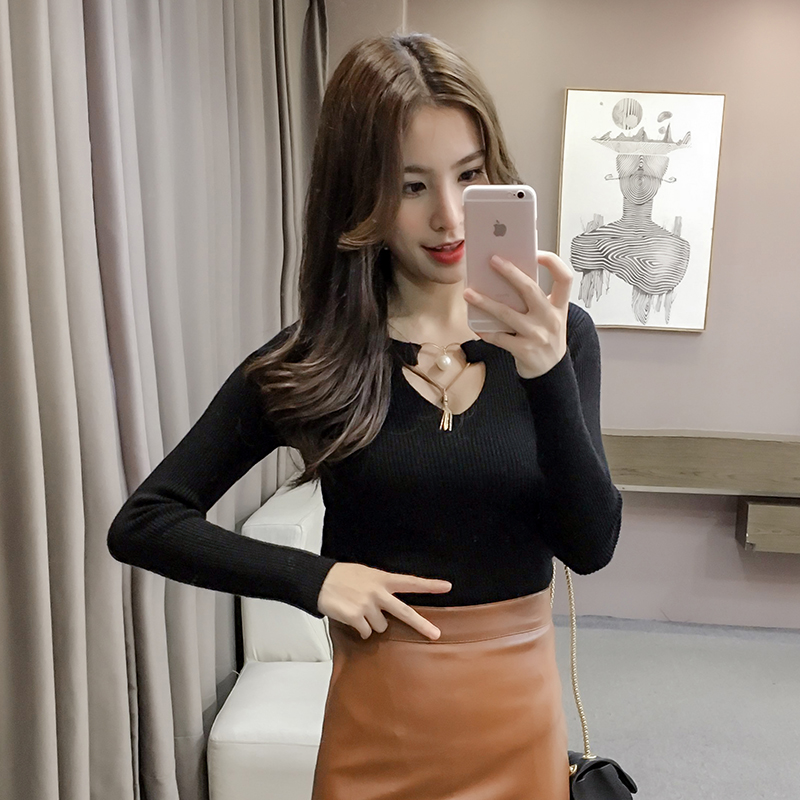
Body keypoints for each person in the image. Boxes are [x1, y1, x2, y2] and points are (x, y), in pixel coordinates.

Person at [108, 32, 623, 800]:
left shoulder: (558, 337)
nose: (449, 216)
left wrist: (545, 373)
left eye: (469, 175)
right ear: (363, 197)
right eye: (411, 186)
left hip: (518, 723)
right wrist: (313, 578)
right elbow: (145, 521)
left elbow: (590, 544)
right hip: (380, 730)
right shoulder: (315, 358)